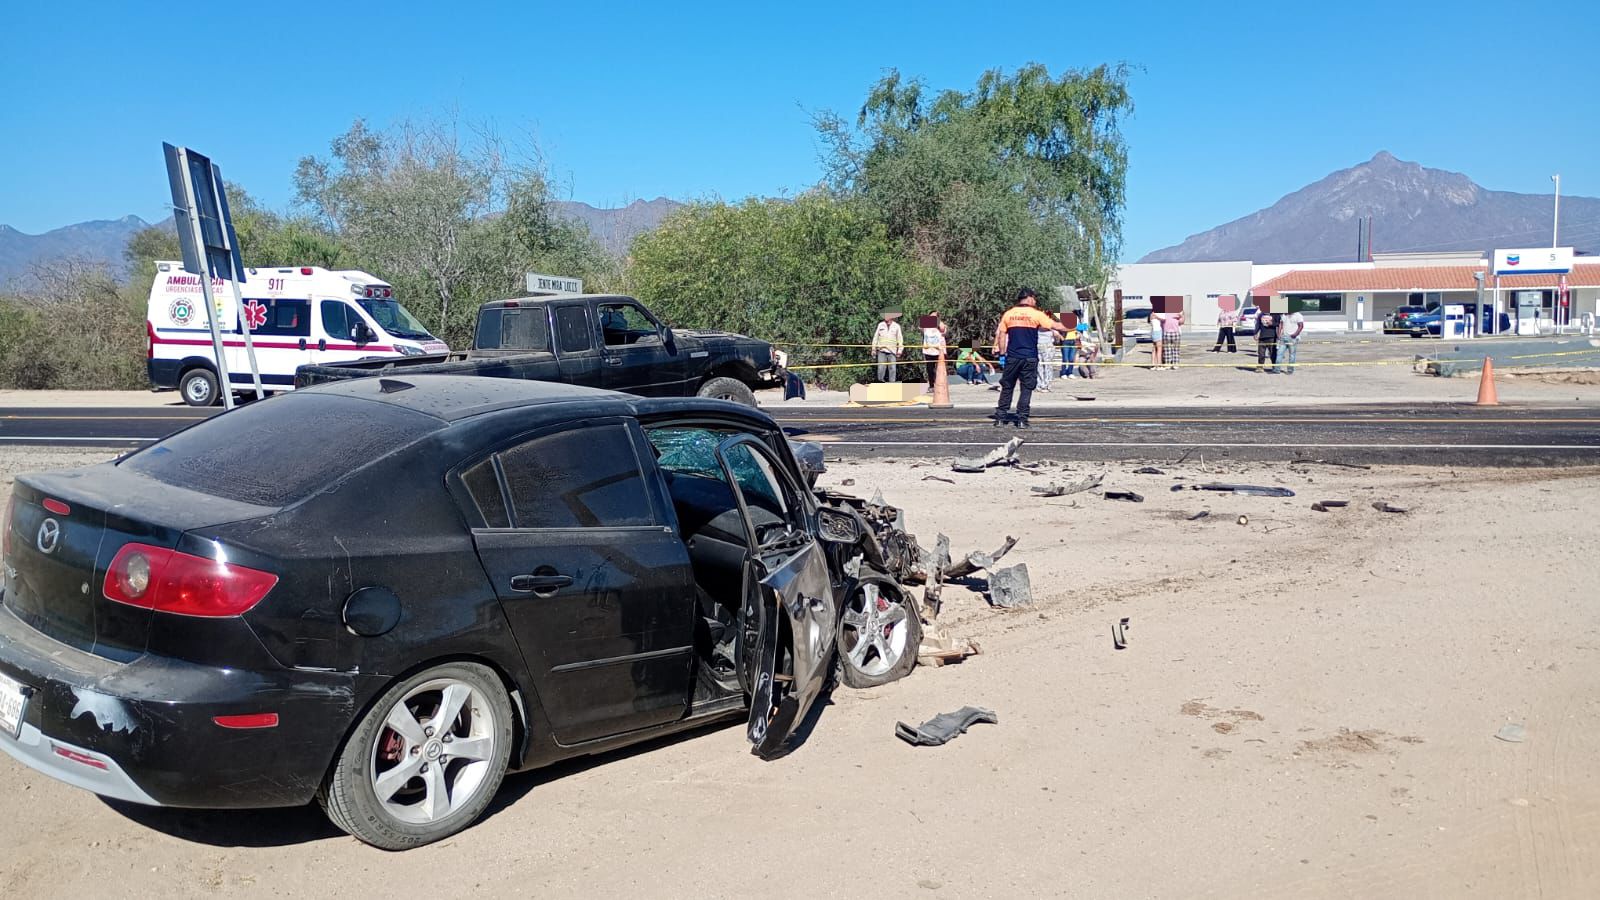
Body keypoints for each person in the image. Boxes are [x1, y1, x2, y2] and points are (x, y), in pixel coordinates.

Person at [992, 288, 1070, 428]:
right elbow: (1057, 326)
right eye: (1034, 298)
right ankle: (1022, 419)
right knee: (1026, 388)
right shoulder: (1036, 314)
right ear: (1029, 298)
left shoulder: (1009, 314)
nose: (1035, 301)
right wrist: (1074, 325)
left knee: (1007, 387)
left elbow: (1002, 336)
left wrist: (1002, 355)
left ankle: (1000, 418)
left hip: (1013, 357)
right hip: (1030, 357)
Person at [872, 310, 903, 382]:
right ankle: (880, 383)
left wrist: (900, 350)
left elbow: (900, 339)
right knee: (881, 368)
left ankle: (892, 384)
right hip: (881, 350)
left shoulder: (896, 326)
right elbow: (875, 337)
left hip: (892, 351)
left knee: (892, 368)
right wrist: (873, 349)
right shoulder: (880, 325)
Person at [921, 314, 948, 386]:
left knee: (940, 369)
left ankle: (940, 384)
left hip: (939, 352)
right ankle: (931, 385)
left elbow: (942, 328)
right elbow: (920, 325)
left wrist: (938, 321)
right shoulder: (926, 328)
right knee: (930, 370)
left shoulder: (940, 327)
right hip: (928, 351)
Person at [1280, 308, 1305, 374]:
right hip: (1284, 337)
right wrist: (1280, 334)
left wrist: (1295, 334)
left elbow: (1301, 326)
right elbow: (1281, 325)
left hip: (1293, 338)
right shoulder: (1284, 315)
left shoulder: (1298, 315)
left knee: (1292, 355)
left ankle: (1290, 370)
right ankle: (1276, 369)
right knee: (1279, 353)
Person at [1035, 319, 1058, 392]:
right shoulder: (1036, 329)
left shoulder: (1052, 330)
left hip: (1048, 348)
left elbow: (1057, 339)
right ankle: (1039, 384)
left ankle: (1047, 385)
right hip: (1038, 347)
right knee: (1039, 366)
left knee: (1048, 366)